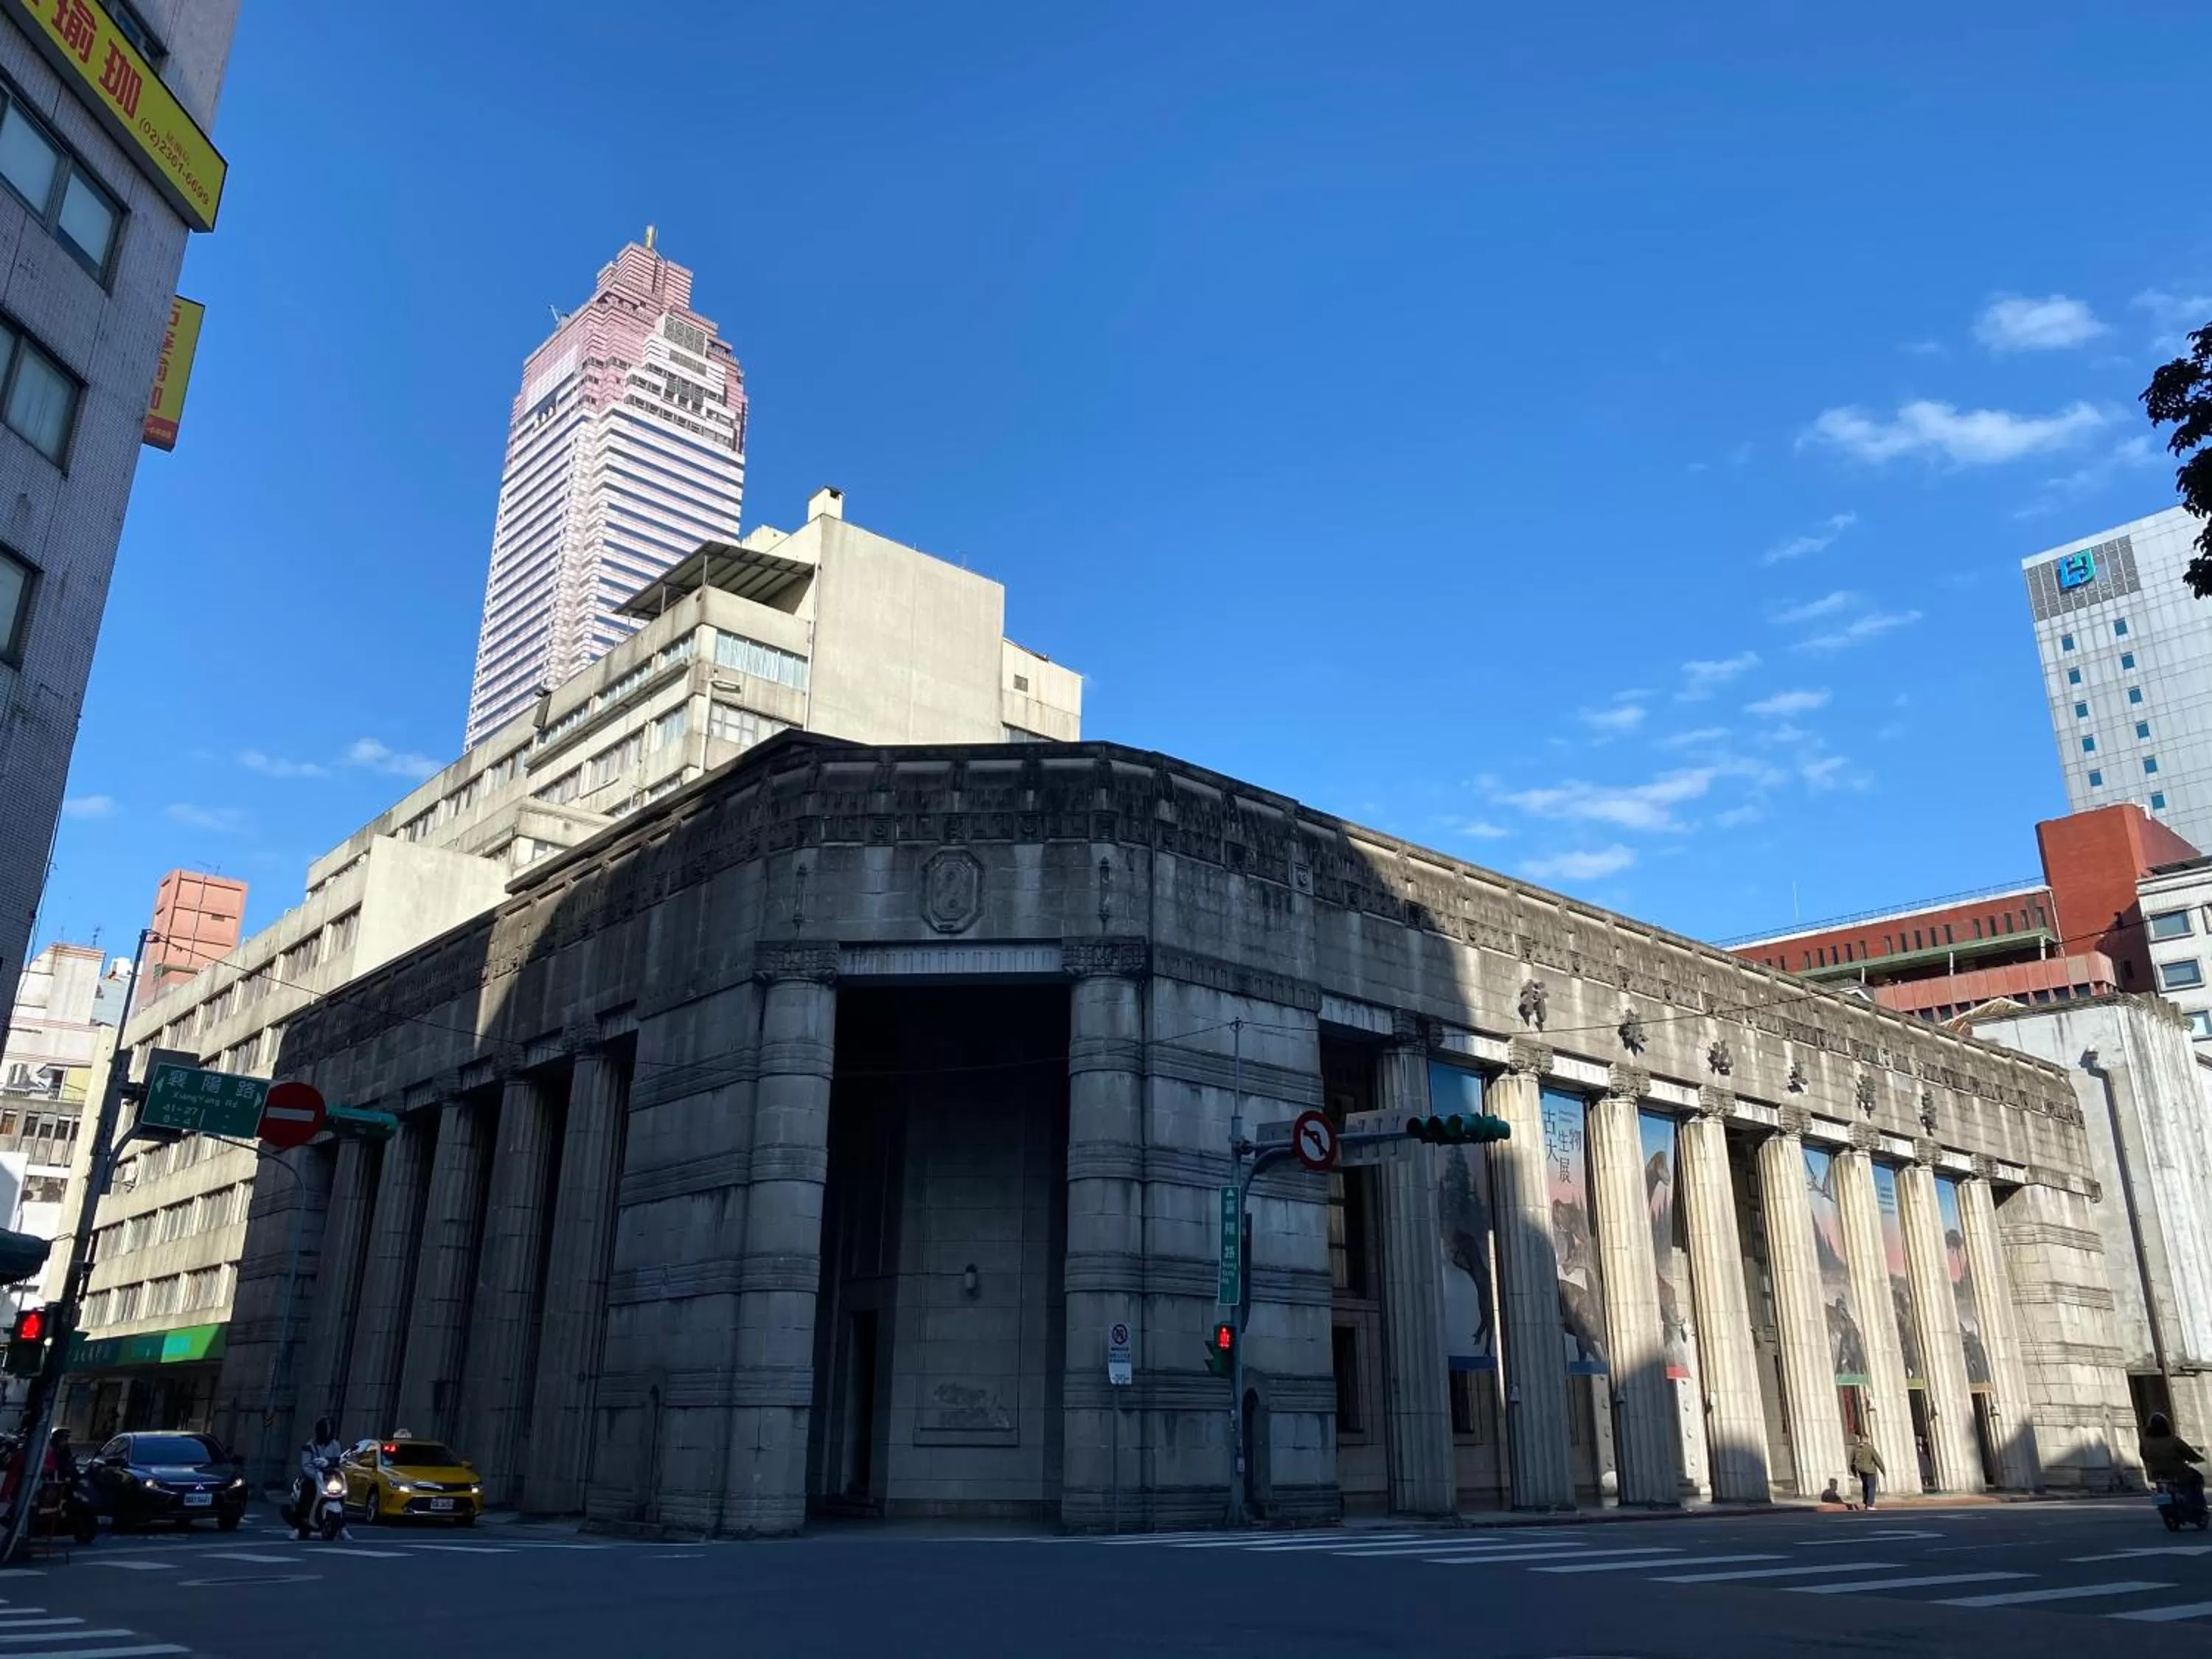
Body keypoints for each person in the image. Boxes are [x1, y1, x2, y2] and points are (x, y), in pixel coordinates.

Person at [294, 1418, 347, 1540]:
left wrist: (334, 1467)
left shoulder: (335, 1445)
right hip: (313, 1478)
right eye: (324, 1430)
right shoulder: (309, 1446)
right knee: (306, 1494)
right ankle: (298, 1527)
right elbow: (305, 1466)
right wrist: (316, 1476)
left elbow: (338, 1462)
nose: (327, 1433)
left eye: (328, 1430)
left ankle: (343, 1527)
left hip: (330, 1479)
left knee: (342, 1496)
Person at [2139, 1412, 2205, 1503]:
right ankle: (2199, 1504)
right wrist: (2197, 1458)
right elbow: (2188, 1452)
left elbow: (2144, 1456)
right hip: (2177, 1472)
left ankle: (2166, 1503)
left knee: (2161, 1488)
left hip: (2157, 1473)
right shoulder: (2173, 1440)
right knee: (2197, 1477)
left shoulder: (2145, 1443)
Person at [1849, 1433, 1885, 1511]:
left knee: (1865, 1486)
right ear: (1866, 1439)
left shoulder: (1855, 1448)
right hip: (1870, 1470)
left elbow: (1852, 1461)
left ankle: (1866, 1502)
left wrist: (1854, 1472)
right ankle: (1870, 1504)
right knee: (1871, 1487)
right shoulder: (1870, 1448)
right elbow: (1877, 1459)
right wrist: (1883, 1470)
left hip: (1861, 1470)